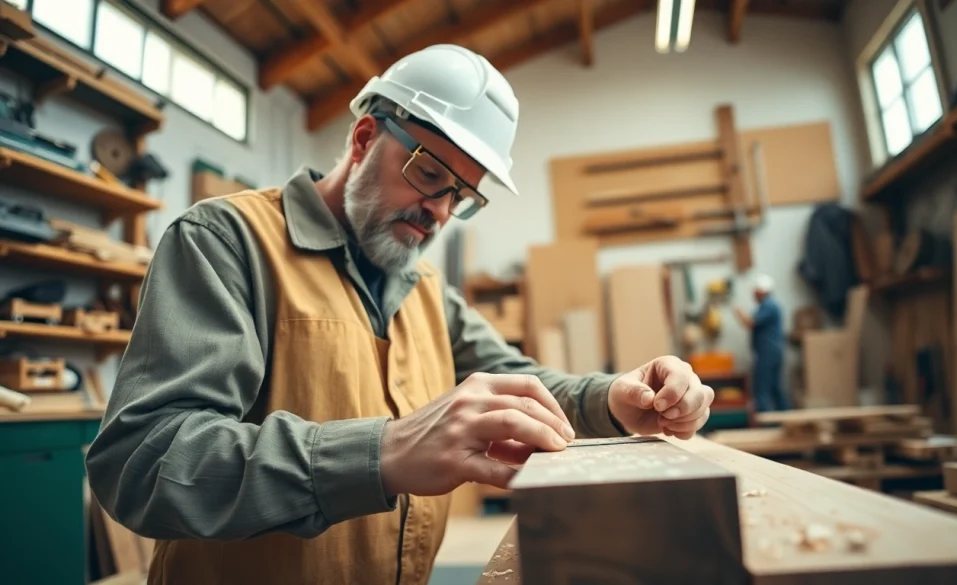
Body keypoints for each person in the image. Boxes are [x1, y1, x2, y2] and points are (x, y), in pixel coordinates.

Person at [84, 45, 714, 585]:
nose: (438, 210)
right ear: (364, 139)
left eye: (460, 196)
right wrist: (380, 453)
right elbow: (143, 462)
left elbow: (520, 381)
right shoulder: (227, 241)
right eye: (428, 173)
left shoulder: (423, 285)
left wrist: (616, 398)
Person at [733, 275, 789, 412]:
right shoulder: (770, 305)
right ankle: (786, 417)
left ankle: (765, 422)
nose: (753, 294)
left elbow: (751, 322)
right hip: (773, 351)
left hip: (767, 352)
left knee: (762, 387)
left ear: (761, 291)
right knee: (775, 387)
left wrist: (738, 312)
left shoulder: (769, 305)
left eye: (755, 291)